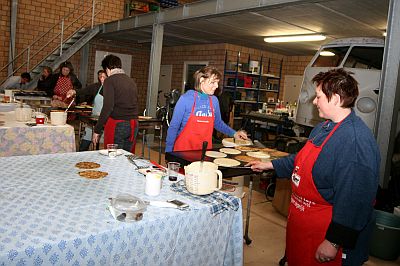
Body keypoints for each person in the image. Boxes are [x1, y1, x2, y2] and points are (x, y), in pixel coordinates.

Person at [247, 68, 380, 265]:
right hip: (302, 221)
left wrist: (334, 242)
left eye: (318, 97)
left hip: (327, 232)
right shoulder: (323, 127)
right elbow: (301, 159)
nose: (314, 101)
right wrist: (269, 165)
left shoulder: (355, 141)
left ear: (335, 98)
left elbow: (355, 199)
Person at [165, 66, 247, 152]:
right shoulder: (186, 99)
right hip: (183, 150)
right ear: (201, 80)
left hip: (205, 150)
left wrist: (234, 133)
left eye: (217, 82)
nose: (216, 86)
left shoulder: (214, 101)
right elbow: (174, 127)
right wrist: (169, 151)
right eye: (213, 82)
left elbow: (218, 123)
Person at [92, 54, 138, 152]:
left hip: (118, 124)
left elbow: (108, 107)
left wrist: (97, 129)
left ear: (107, 68)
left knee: (113, 156)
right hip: (133, 124)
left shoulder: (110, 80)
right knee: (127, 157)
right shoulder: (131, 80)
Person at [78, 70, 107, 151]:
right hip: (93, 119)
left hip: (105, 120)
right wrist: (74, 91)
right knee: (85, 141)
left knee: (101, 147)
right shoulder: (96, 86)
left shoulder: (111, 89)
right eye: (100, 77)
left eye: (104, 77)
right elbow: (84, 90)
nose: (101, 79)